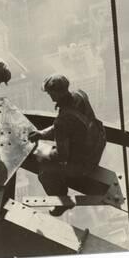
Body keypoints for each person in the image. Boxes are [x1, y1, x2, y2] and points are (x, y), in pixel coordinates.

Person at [28, 74, 106, 215]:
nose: (49, 96)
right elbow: (69, 125)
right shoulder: (80, 95)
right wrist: (41, 134)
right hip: (96, 146)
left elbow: (61, 155)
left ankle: (62, 203)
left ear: (55, 93)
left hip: (84, 164)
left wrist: (43, 154)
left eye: (50, 93)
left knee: (45, 173)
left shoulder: (62, 122)